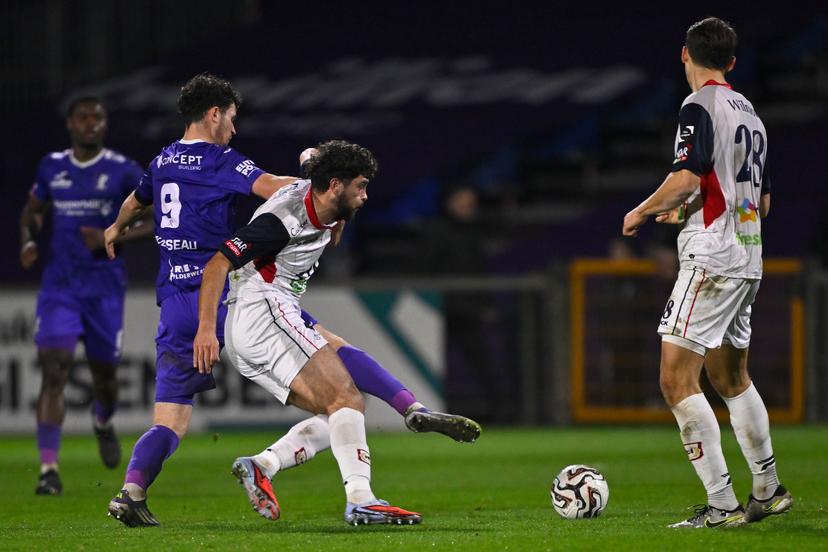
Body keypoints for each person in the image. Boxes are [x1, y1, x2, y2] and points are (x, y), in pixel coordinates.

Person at [102, 73, 300, 527]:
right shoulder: (219, 160)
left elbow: (136, 200)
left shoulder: (163, 160)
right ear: (214, 114)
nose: (233, 129)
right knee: (320, 357)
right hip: (223, 294)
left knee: (171, 419)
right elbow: (277, 189)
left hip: (174, 300)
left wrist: (115, 228)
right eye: (231, 118)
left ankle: (131, 492)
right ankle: (369, 423)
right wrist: (319, 179)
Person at [194, 140, 421, 526]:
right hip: (263, 310)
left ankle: (263, 464)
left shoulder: (321, 186)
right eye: (360, 187)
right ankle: (361, 499)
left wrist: (340, 217)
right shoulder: (282, 222)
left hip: (262, 319)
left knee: (340, 412)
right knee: (346, 398)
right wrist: (204, 330)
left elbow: (309, 154)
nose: (365, 196)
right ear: (335, 185)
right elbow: (217, 264)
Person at [622, 17, 792, 528]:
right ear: (733, 62)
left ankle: (721, 505)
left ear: (684, 56)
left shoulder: (698, 106)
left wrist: (644, 210)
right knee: (731, 376)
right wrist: (693, 205)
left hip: (712, 257)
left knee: (675, 380)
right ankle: (768, 486)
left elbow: (684, 177)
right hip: (748, 255)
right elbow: (760, 201)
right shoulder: (751, 114)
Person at [18, 96, 149, 496]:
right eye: (84, 118)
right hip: (60, 287)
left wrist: (115, 233)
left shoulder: (123, 170)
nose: (92, 124)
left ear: (104, 124)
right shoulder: (51, 166)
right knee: (54, 369)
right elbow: (33, 211)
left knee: (105, 380)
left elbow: (160, 216)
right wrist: (28, 239)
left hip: (104, 288)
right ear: (71, 124)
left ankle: (103, 421)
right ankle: (48, 470)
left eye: (98, 117)